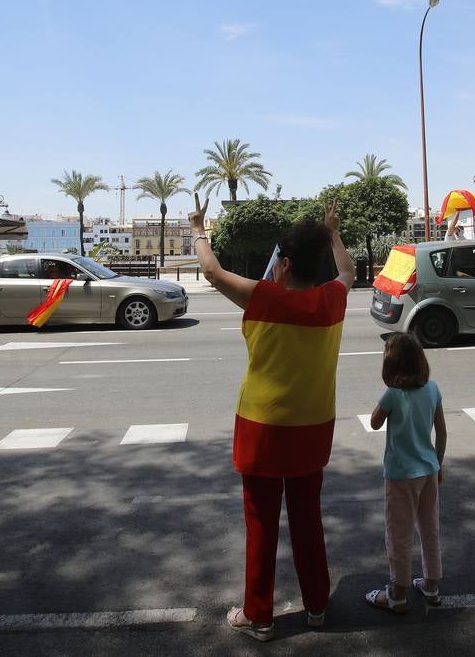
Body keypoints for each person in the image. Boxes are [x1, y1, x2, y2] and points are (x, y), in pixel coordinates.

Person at [188, 193, 354, 642]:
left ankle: (258, 615)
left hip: (262, 429)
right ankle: (317, 605)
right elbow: (348, 271)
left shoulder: (262, 297)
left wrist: (199, 229)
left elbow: (210, 270)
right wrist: (334, 232)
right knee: (307, 517)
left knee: (261, 521)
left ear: (283, 264)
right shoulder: (332, 300)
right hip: (313, 427)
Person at [366, 332, 447, 613]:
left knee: (398, 533)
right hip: (429, 470)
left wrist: (386, 404)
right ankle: (431, 585)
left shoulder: (393, 394)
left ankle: (397, 594)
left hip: (400, 475)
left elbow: (375, 423)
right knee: (429, 528)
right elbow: (442, 431)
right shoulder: (433, 389)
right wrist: (439, 463)